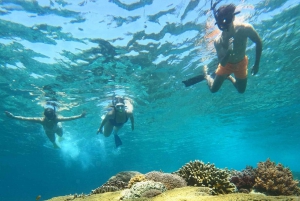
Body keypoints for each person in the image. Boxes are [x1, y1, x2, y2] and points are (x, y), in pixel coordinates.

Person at [203, 2, 262, 93]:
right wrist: (229, 52)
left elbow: (258, 42)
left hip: (241, 63)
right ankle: (206, 75)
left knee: (241, 90)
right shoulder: (218, 41)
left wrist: (257, 64)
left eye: (227, 21)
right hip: (227, 65)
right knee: (213, 89)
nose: (226, 26)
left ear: (233, 18)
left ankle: (229, 77)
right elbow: (222, 63)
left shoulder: (245, 29)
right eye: (223, 23)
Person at [5, 101, 86, 149]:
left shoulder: (56, 119)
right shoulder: (41, 120)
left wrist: (80, 116)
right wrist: (13, 117)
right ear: (45, 115)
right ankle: (56, 141)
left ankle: (59, 137)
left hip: (58, 128)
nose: (50, 120)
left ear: (53, 115)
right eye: (48, 118)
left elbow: (70, 118)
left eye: (51, 117)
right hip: (49, 132)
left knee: (61, 135)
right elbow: (25, 118)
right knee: (53, 142)